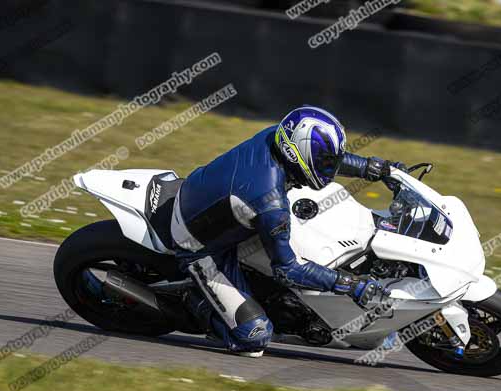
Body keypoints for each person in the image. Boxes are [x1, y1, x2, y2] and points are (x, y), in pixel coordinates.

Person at [170, 105, 401, 357]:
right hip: (198, 246)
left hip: (211, 201)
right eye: (324, 162)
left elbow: (321, 157)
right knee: (254, 337)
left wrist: (373, 168)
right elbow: (287, 270)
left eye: (328, 160)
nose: (329, 168)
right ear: (294, 153)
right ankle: (194, 302)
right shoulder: (270, 205)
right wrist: (350, 285)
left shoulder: (277, 137)